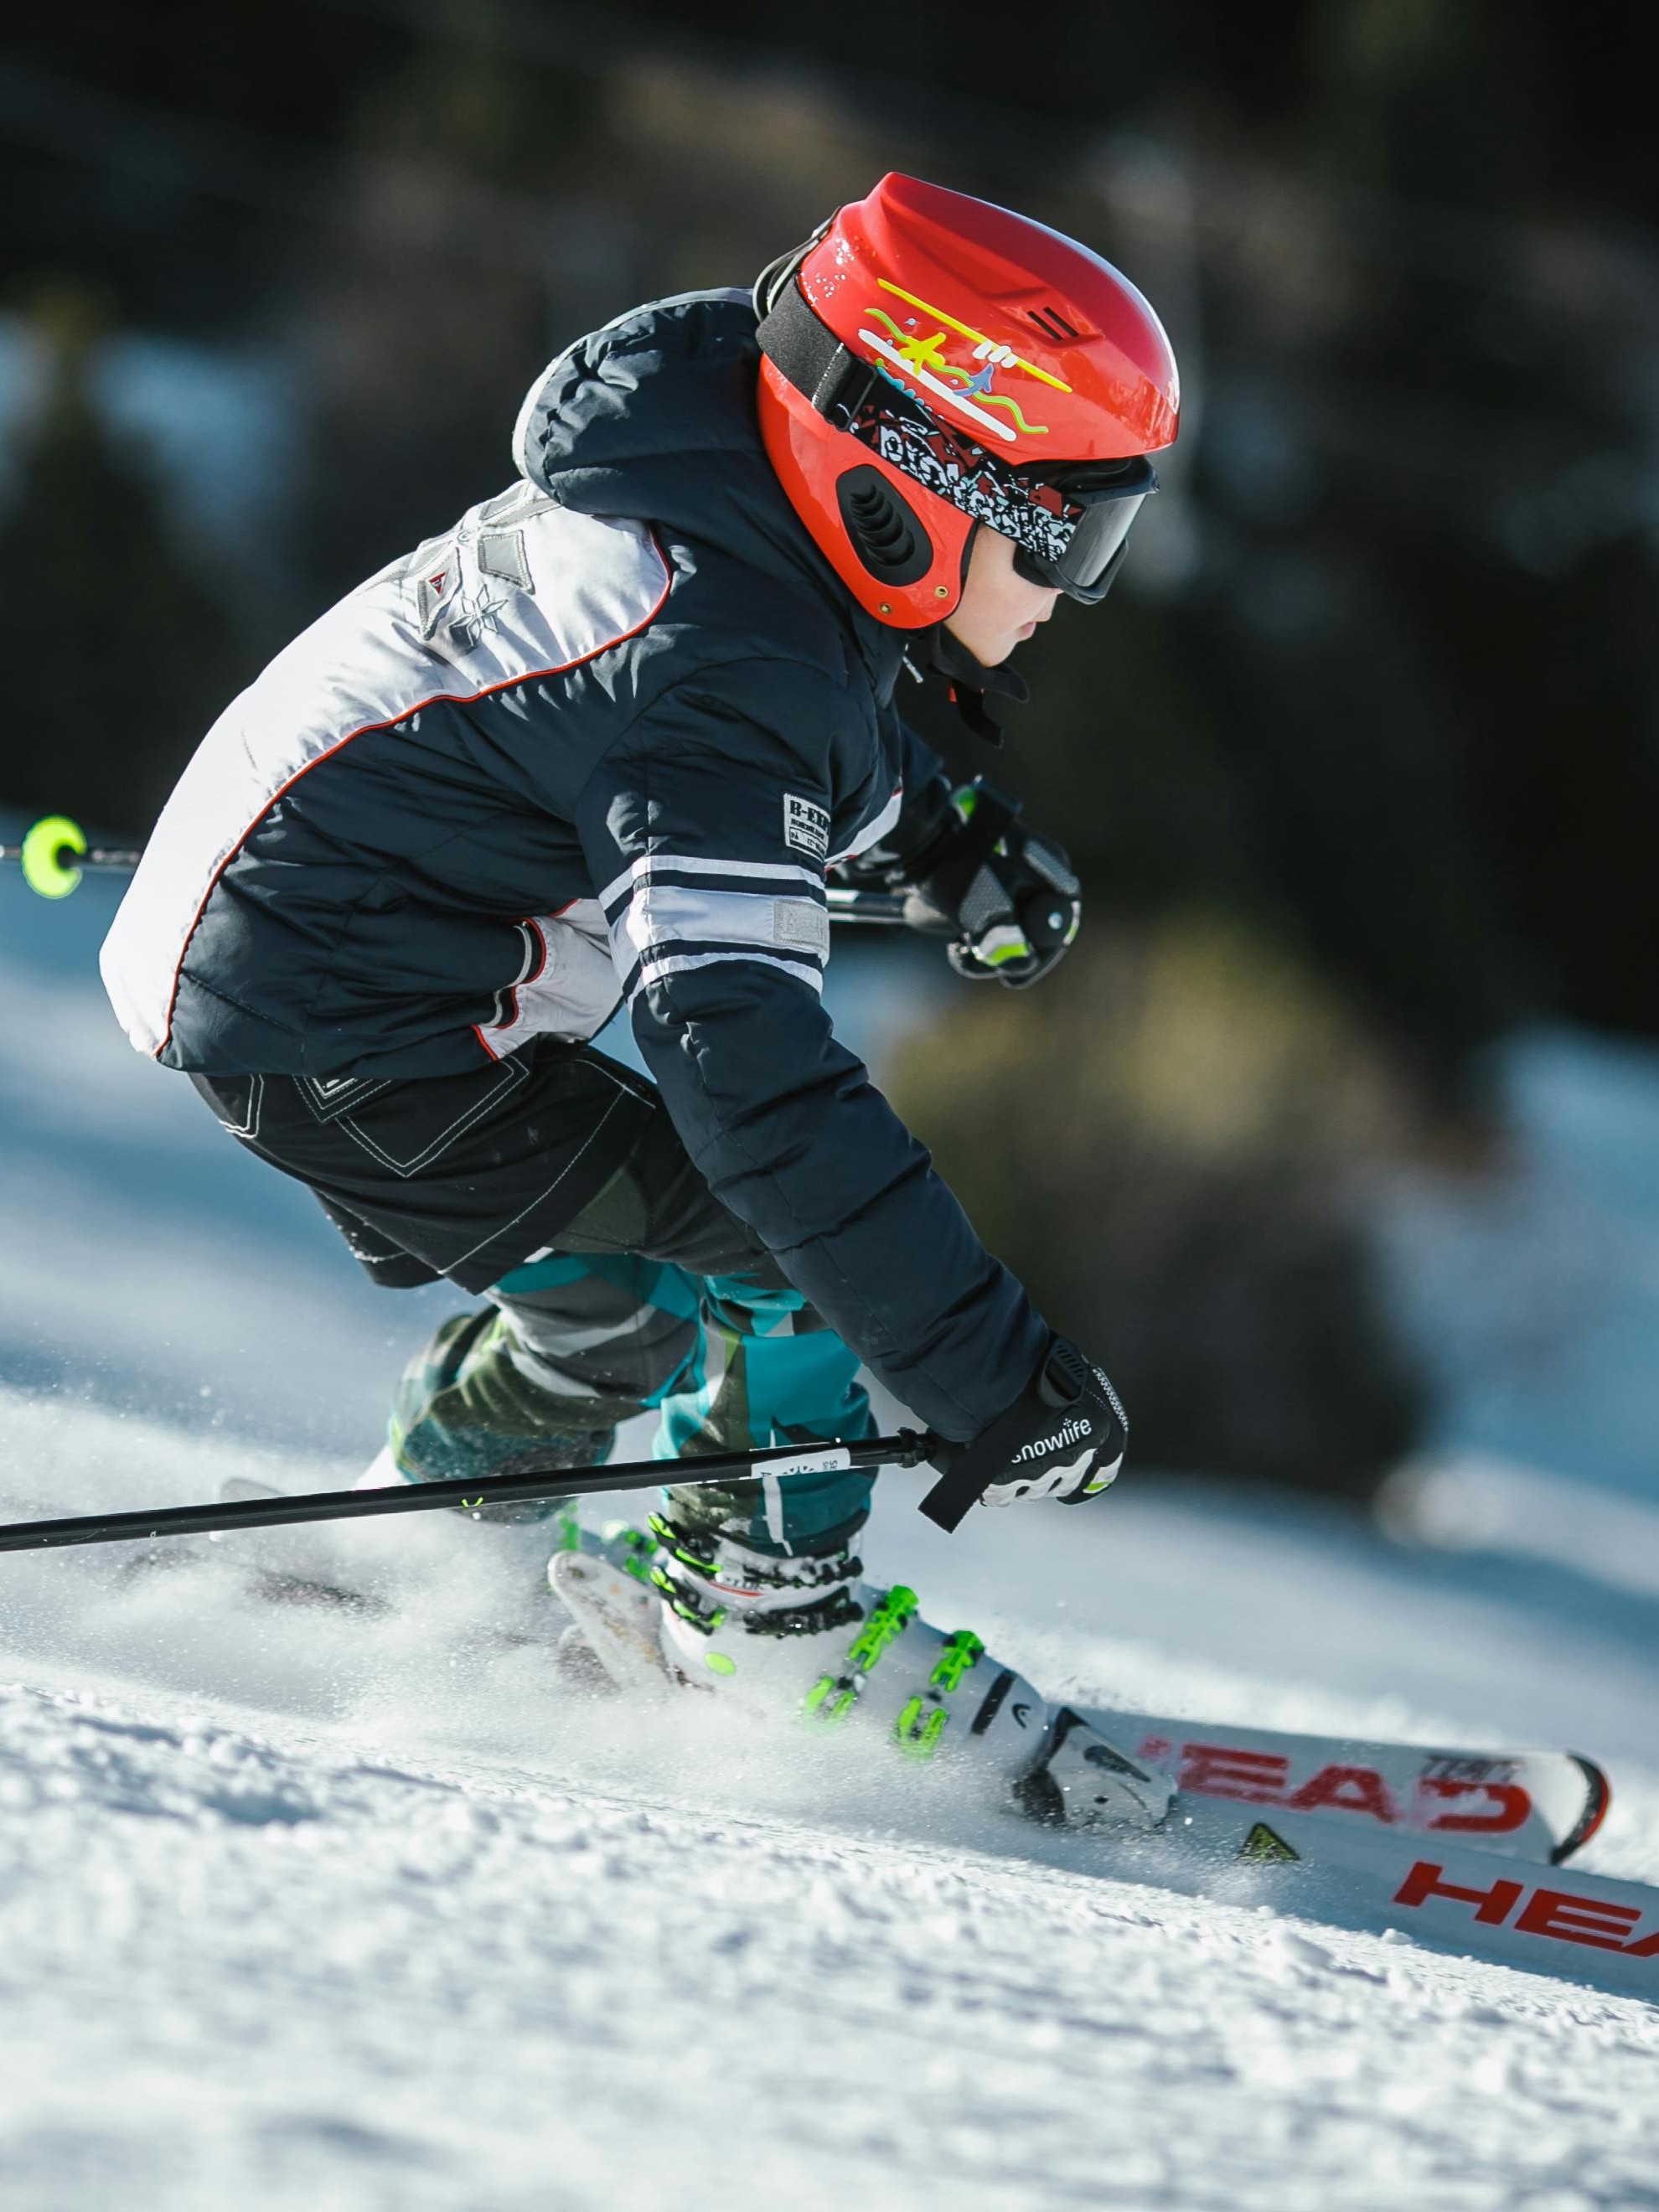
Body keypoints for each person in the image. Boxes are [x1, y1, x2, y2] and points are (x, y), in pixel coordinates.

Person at [100, 173, 1180, 1826]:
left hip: (312, 970)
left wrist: (948, 842)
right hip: (349, 1024)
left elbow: (795, 735)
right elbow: (742, 1065)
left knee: (625, 1300)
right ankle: (761, 1613)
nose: (1070, 593)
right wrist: (985, 1374)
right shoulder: (714, 664)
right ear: (919, 481)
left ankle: (426, 1540)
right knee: (789, 1264)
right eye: (1069, 532)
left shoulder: (723, 515)